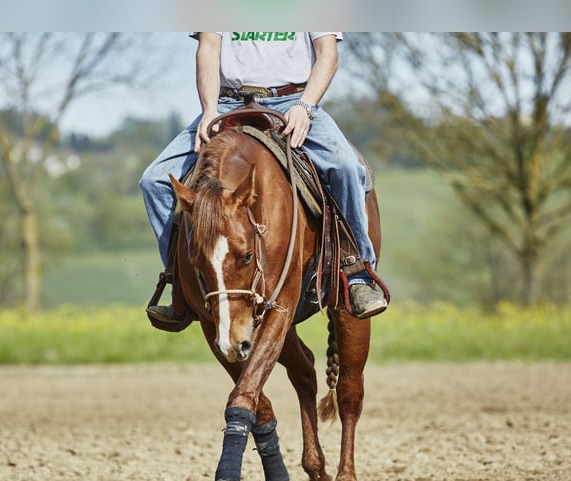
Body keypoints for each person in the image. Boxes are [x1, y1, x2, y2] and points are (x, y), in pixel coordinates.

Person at [141, 32, 387, 326]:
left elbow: (328, 54)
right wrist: (209, 110)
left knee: (346, 168)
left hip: (292, 100)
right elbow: (207, 49)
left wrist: (306, 106)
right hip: (228, 104)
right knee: (154, 181)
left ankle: (357, 274)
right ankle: (179, 283)